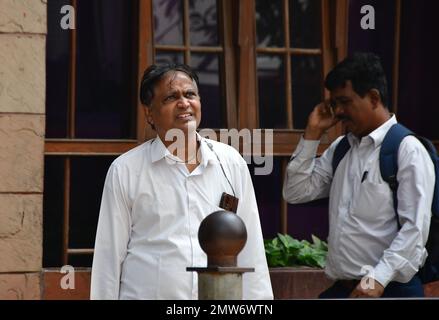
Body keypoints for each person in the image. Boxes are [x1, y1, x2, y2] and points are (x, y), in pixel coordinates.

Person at [90, 63, 273, 300]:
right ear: (149, 113)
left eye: (190, 94)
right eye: (171, 97)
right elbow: (109, 256)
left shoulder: (230, 162)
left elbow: (251, 247)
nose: (184, 103)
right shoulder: (126, 170)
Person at [283, 52, 434, 298]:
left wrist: (377, 279)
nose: (338, 111)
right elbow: (295, 192)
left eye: (345, 101)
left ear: (373, 98)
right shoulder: (342, 148)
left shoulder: (407, 149)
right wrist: (312, 133)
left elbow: (415, 229)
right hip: (344, 290)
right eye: (334, 104)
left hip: (391, 291)